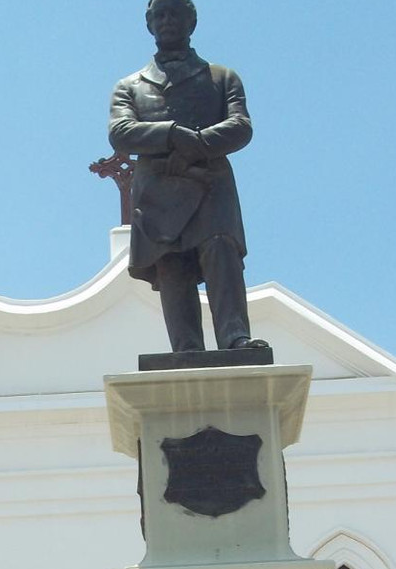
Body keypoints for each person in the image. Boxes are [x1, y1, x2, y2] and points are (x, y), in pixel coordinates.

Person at [109, 0, 267, 353]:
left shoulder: (222, 77)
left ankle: (235, 337)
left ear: (191, 21)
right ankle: (186, 349)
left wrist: (194, 143)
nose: (167, 21)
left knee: (221, 253)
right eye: (159, 14)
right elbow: (121, 132)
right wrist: (170, 134)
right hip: (158, 194)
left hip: (210, 184)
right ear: (149, 24)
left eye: (175, 13)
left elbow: (240, 126)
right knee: (173, 267)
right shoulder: (129, 86)